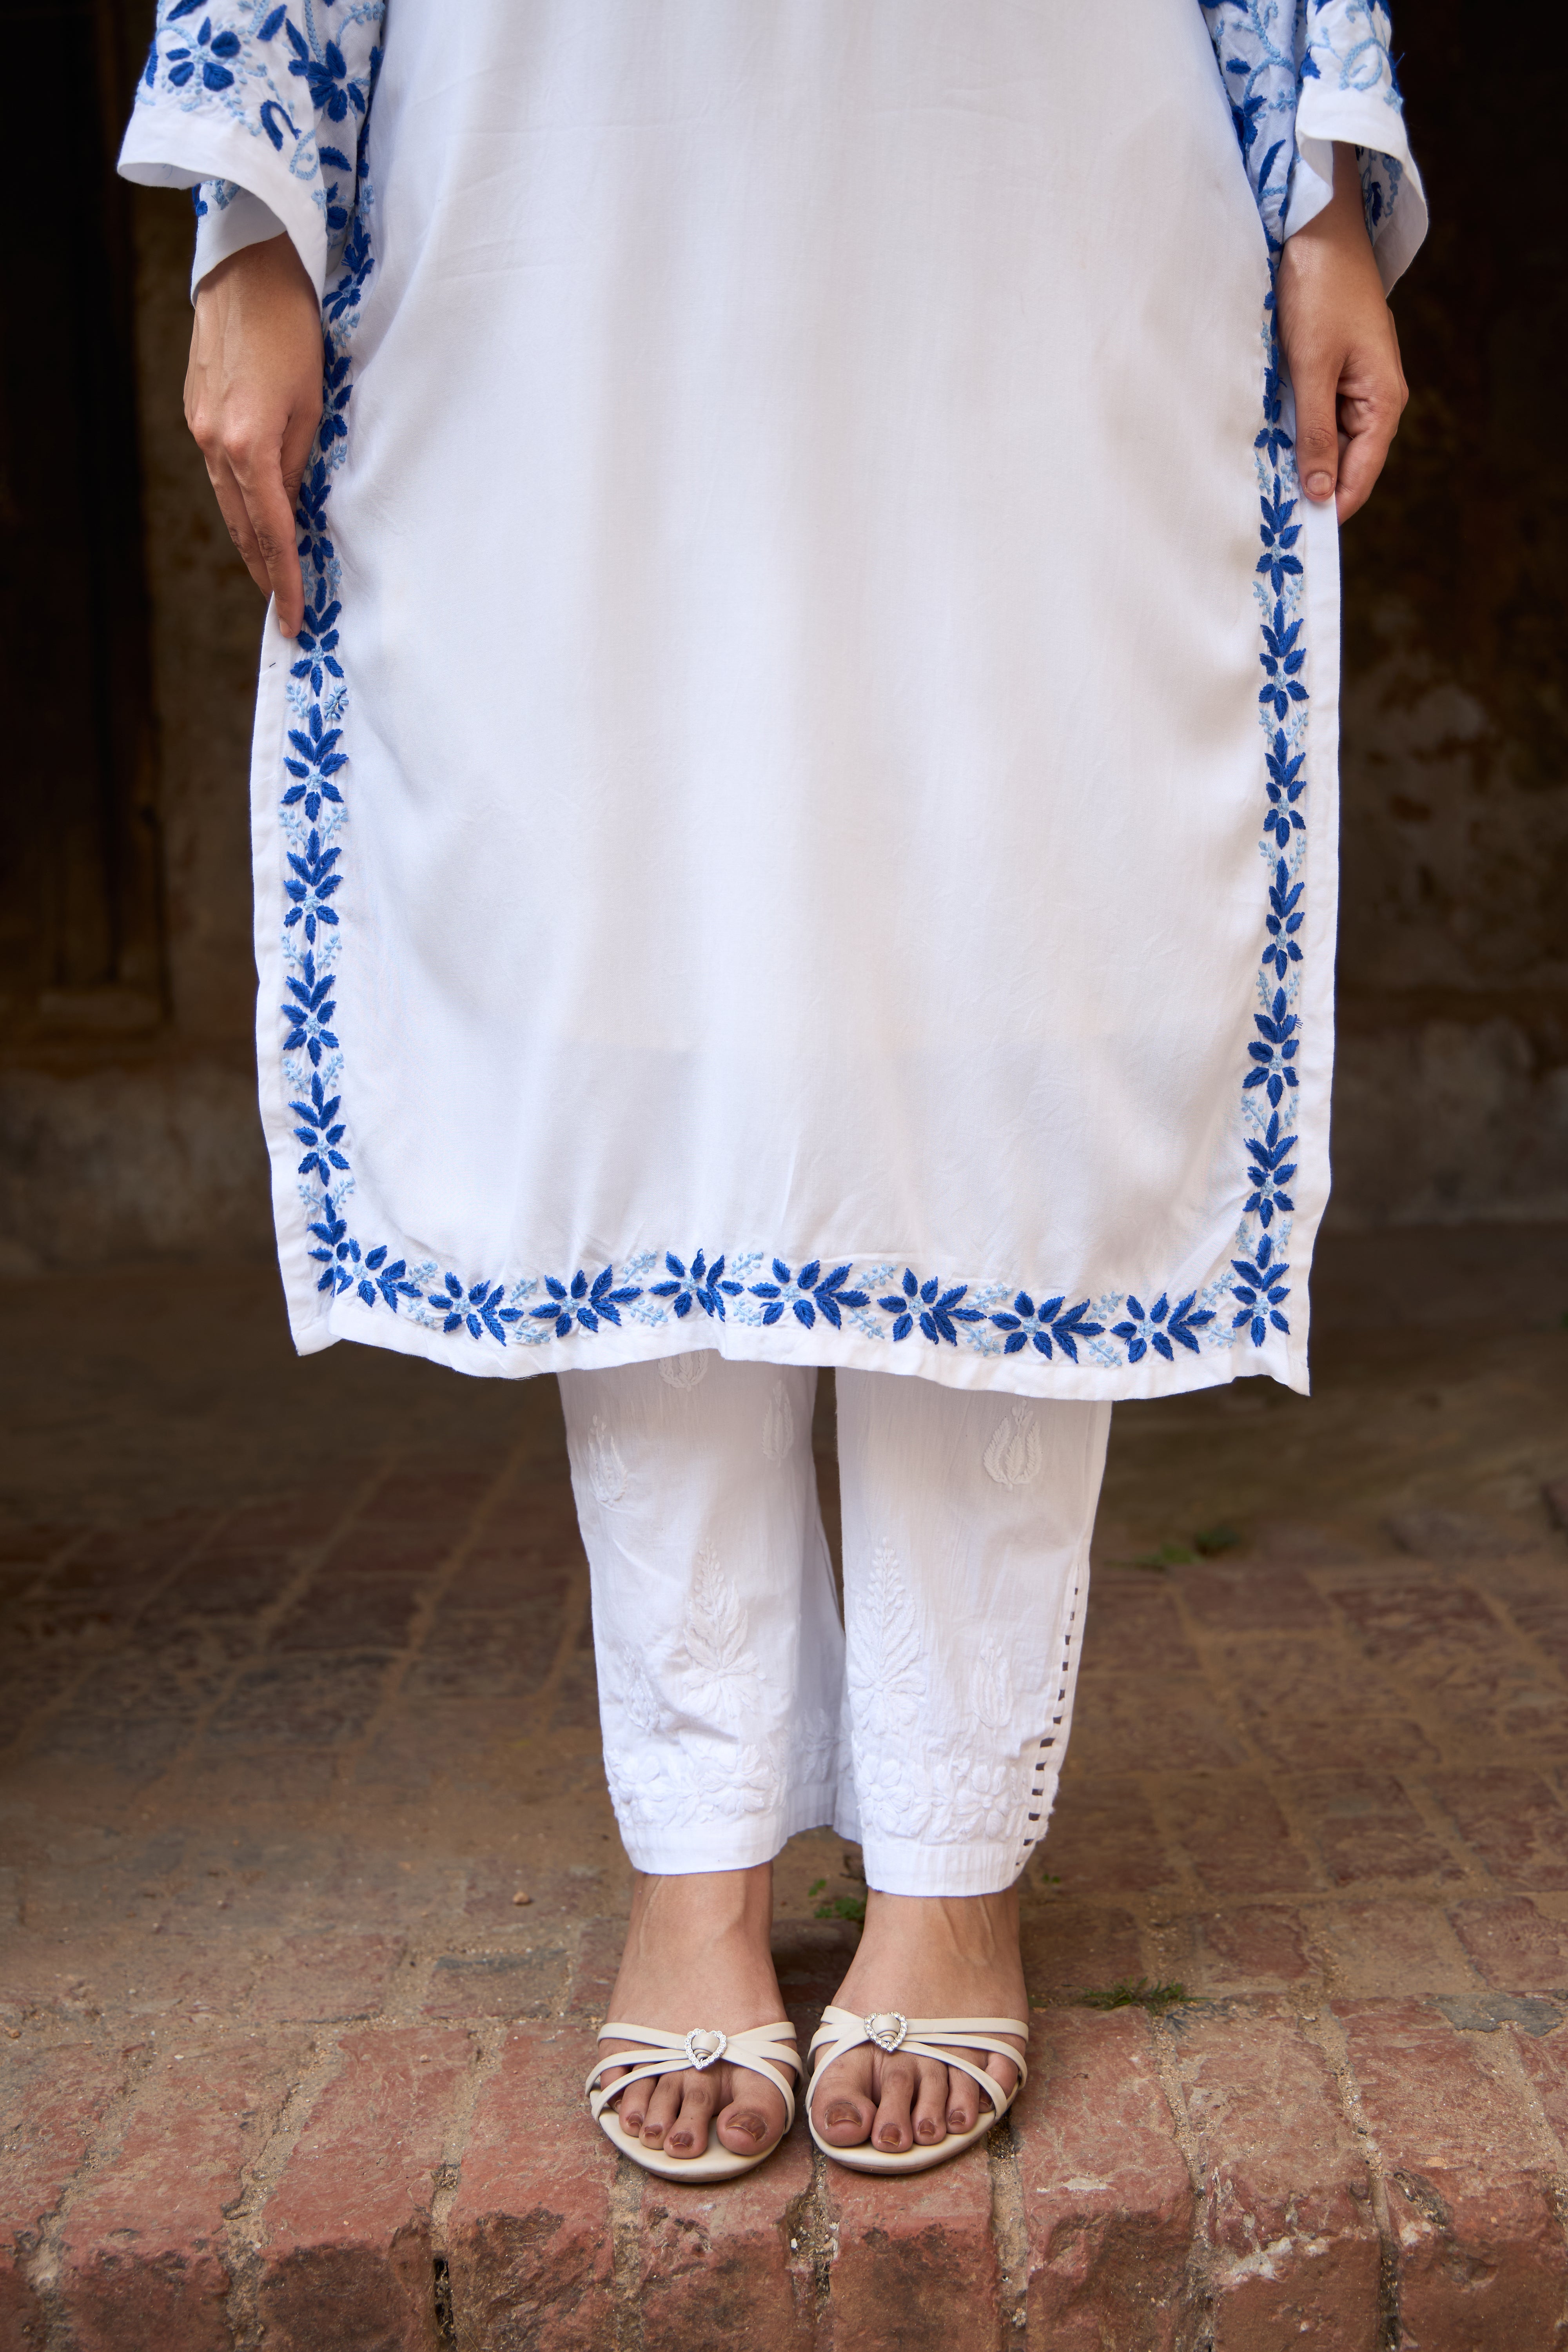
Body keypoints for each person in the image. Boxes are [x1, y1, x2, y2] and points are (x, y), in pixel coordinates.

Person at [121, 0, 1421, 2179]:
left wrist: (1317, 168)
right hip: (577, 151)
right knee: (653, 955)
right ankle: (699, 1839)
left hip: (1027, 154)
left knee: (995, 941)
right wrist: (250, 219)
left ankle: (947, 1853)